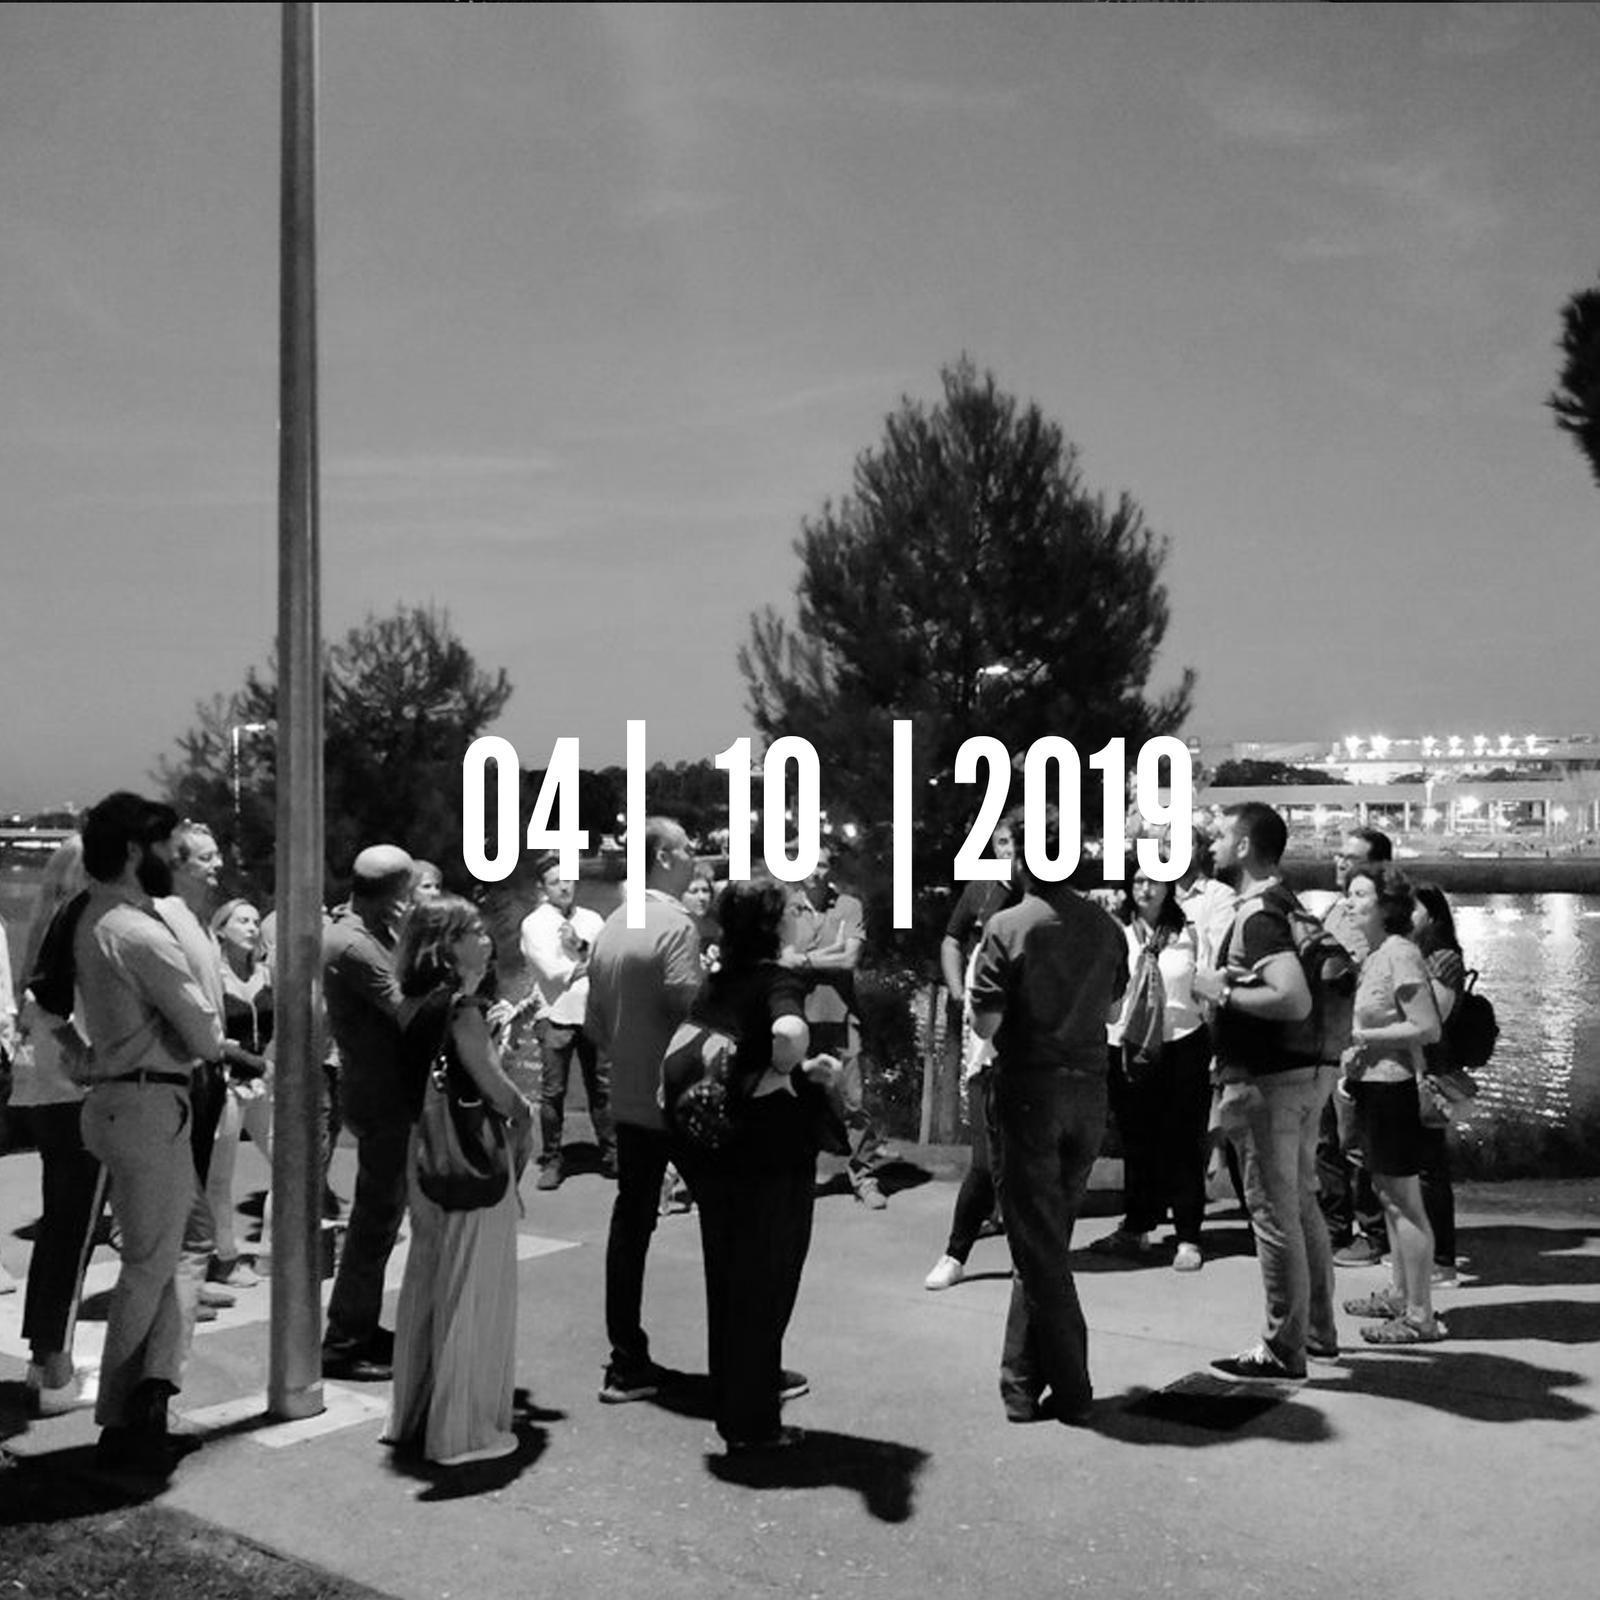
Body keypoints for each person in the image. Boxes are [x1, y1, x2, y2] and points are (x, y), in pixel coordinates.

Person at [72, 792, 225, 1472]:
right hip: (148, 1104)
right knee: (149, 1267)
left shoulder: (91, 916)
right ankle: (125, 1419)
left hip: (122, 1098)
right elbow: (204, 1031)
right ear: (137, 850)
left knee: (177, 1250)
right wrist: (185, 1033)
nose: (173, 856)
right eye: (165, 845)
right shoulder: (138, 930)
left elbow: (49, 1000)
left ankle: (150, 1399)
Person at [968, 805, 1128, 1424]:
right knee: (1045, 1240)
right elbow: (1112, 1013)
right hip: (1089, 1090)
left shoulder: (1007, 927)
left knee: (1038, 1247)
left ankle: (1072, 1385)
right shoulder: (1107, 928)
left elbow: (986, 1023)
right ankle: (1018, 1384)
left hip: (1028, 1089)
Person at [677, 879, 837, 1452]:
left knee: (727, 1276)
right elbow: (787, 1032)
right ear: (772, 925)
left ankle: (732, 1399)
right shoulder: (778, 980)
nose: (800, 915)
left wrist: (780, 1069)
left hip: (718, 1145)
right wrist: (788, 1069)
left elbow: (725, 1050)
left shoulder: (718, 979)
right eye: (792, 909)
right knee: (768, 1281)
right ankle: (754, 1423)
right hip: (771, 1150)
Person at [384, 895, 534, 1466]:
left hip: (422, 1152)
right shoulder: (461, 1010)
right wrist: (524, 1116)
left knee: (428, 1279)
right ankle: (462, 1429)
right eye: (473, 931)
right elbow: (497, 1090)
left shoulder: (413, 1002)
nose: (486, 939)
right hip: (468, 1155)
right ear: (445, 946)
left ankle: (414, 1413)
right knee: (472, 1285)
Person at [1194, 801, 1340, 1382]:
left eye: (1221, 835)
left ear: (1245, 845)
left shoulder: (1257, 916)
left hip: (1269, 1083)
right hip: (1309, 1074)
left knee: (1273, 1213)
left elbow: (1293, 997)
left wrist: (1221, 992)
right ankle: (1319, 1332)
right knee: (1301, 1204)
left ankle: (1284, 1347)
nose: (1211, 844)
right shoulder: (1289, 903)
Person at [584, 817, 703, 1404]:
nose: (696, 855)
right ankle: (746, 1367)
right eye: (687, 847)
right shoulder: (676, 926)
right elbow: (693, 1014)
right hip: (680, 1101)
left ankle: (626, 1359)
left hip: (628, 1099)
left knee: (630, 1227)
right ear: (663, 858)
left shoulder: (612, 926)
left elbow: (595, 1024)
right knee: (733, 1228)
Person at [12, 836, 104, 1414]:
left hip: (45, 1096)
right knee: (76, 1233)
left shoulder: (44, 930)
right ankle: (56, 1371)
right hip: (79, 1095)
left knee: (59, 1230)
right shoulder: (84, 928)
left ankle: (43, 1358)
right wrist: (89, 1057)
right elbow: (62, 1012)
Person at [1337, 863, 1447, 1344]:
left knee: (1405, 1202)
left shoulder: (1400, 953)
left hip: (1392, 1088)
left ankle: (1420, 1314)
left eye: (1360, 894)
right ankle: (1401, 1294)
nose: (1349, 902)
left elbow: (1426, 1026)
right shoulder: (1378, 954)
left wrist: (1364, 1036)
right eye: (1349, 893)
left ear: (1386, 905)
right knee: (1388, 1196)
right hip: (1373, 1085)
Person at [321, 844, 416, 1381]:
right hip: (380, 1094)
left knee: (379, 1218)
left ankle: (357, 1323)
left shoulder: (364, 931)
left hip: (381, 1090)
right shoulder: (355, 944)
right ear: (395, 892)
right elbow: (407, 1008)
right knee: (375, 1220)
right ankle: (345, 1340)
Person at [1093, 866, 1211, 1271]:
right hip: (1129, 1044)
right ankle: (1137, 1225)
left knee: (1184, 1140)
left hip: (1182, 1040)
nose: (1144, 889)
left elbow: (1206, 983)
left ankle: (1188, 1234)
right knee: (1137, 1138)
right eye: (1138, 881)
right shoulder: (1118, 931)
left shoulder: (1189, 932)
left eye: (1153, 881)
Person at [925, 816, 1018, 1291]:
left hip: (1032, 1045)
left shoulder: (1039, 897)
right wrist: (960, 992)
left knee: (1026, 1159)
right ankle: (955, 1252)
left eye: (1015, 841)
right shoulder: (982, 887)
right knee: (985, 1157)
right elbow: (951, 939)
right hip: (987, 1041)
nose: (1009, 849)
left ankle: (1029, 1256)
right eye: (1001, 842)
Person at [781, 849, 890, 1208]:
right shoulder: (784, 908)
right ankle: (797, 1177)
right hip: (796, 1017)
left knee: (853, 1101)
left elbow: (849, 958)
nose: (815, 871)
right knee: (794, 1099)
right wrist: (827, 954)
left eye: (822, 863)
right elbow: (780, 960)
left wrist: (804, 959)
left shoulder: (848, 906)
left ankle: (864, 1176)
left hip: (841, 1016)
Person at [1308, 826, 1391, 1267]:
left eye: (1352, 858)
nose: (1340, 862)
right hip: (1327, 1041)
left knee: (1357, 1142)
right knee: (1326, 1142)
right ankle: (1334, 1226)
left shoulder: (1380, 921)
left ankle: (1373, 1231)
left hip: (1357, 1044)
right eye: (1339, 855)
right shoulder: (1336, 909)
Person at [520, 856, 614, 1190]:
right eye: (555, 882)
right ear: (542, 888)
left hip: (593, 1012)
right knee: (553, 1091)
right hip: (554, 1014)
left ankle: (612, 1153)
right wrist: (588, 962)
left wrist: (579, 946)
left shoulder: (592, 918)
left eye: (569, 880)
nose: (564, 887)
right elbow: (551, 972)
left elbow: (608, 959)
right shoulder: (534, 924)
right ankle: (553, 1158)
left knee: (602, 1086)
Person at [204, 899, 275, 1286]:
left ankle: (271, 1251)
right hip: (227, 1081)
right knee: (220, 1175)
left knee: (289, 1161)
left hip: (261, 1081)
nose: (251, 927)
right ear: (221, 929)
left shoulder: (265, 972)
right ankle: (224, 1258)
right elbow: (212, 1035)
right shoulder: (212, 975)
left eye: (255, 921)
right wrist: (252, 1060)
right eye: (242, 920)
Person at [1411, 881, 1466, 1285]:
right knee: (1415, 1166)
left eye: (1411, 910)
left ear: (1431, 916)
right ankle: (1423, 1255)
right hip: (1413, 1068)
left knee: (1430, 1167)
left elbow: (1435, 1017)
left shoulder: (1443, 959)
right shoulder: (1416, 955)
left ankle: (1442, 1260)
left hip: (1430, 1071)